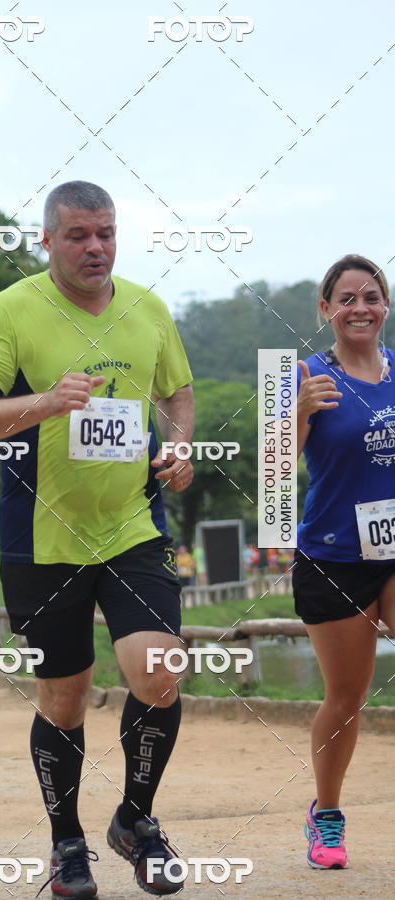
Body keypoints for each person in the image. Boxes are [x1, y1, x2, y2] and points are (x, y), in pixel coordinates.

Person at [0, 181, 194, 897]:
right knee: (63, 699)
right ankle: (66, 843)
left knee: (158, 671)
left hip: (133, 528)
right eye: (79, 235)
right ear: (47, 240)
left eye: (106, 233)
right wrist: (47, 403)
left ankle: (135, 821)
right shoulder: (9, 310)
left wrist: (180, 444)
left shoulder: (148, 309)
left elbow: (176, 392)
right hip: (41, 540)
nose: (96, 247)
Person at [294, 254, 395, 870]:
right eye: (347, 298)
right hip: (333, 554)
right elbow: (272, 472)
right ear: (326, 309)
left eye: (372, 296)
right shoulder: (303, 375)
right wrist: (299, 411)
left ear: (386, 306)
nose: (361, 308)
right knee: (347, 697)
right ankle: (325, 814)